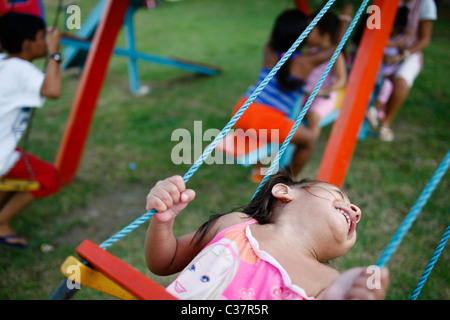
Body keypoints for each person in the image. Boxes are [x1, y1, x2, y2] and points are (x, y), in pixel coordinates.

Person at [144, 173, 389, 300]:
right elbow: (166, 260)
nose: (357, 211)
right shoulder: (235, 225)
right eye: (339, 196)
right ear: (284, 192)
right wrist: (163, 222)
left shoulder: (330, 281)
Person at [230, 8, 352, 181]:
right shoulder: (305, 62)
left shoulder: (269, 50)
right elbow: (337, 48)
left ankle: (259, 170)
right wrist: (345, 20)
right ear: (303, 36)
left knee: (265, 133)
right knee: (308, 140)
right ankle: (288, 179)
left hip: (241, 111)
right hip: (265, 119)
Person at [0, 12, 62, 248]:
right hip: (2, 153)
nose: (44, 42)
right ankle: (2, 222)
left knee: (13, 167)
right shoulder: (19, 68)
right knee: (49, 176)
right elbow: (53, 90)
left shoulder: (4, 62)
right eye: (41, 37)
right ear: (27, 44)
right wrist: (55, 51)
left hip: (4, 148)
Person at [377, 0, 437, 141]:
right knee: (377, 79)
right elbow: (372, 22)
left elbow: (424, 39)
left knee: (401, 82)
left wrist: (402, 55)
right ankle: (371, 110)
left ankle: (386, 122)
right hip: (382, 47)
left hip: (409, 52)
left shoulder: (425, 3)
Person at [303, 11, 347, 141]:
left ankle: (307, 144)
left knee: (314, 117)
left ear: (325, 35)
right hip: (307, 94)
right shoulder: (312, 52)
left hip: (324, 97)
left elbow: (341, 79)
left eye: (311, 29)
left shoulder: (336, 55)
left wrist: (325, 91)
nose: (306, 32)